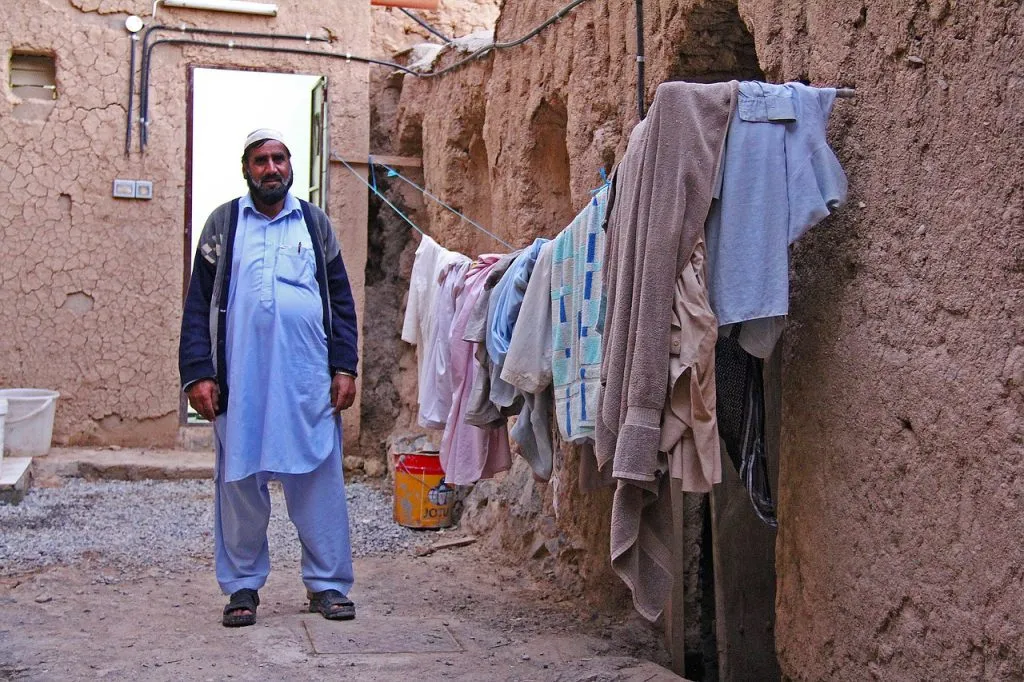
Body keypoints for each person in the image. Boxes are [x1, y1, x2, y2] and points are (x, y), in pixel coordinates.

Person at [179, 128, 359, 627]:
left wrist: (345, 365)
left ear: (290, 165)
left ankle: (327, 585)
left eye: (279, 158)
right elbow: (198, 304)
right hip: (242, 382)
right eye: (261, 160)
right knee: (238, 483)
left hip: (305, 381)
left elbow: (340, 302)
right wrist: (198, 372)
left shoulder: (314, 224)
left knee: (318, 481)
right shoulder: (225, 223)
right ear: (246, 169)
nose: (272, 168)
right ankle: (241, 588)